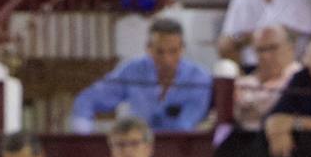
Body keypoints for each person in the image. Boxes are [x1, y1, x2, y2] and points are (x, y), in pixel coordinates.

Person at [69, 17, 213, 134]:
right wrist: (84, 139)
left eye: (173, 51)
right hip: (133, 150)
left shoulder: (199, 79)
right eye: (160, 52)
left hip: (180, 151)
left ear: (182, 49)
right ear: (148, 48)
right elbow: (87, 100)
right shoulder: (133, 70)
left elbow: (184, 127)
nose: (167, 59)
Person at [231, 26, 304, 130]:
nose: (266, 56)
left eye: (273, 48)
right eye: (260, 50)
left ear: (291, 48)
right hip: (243, 140)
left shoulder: (301, 78)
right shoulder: (245, 82)